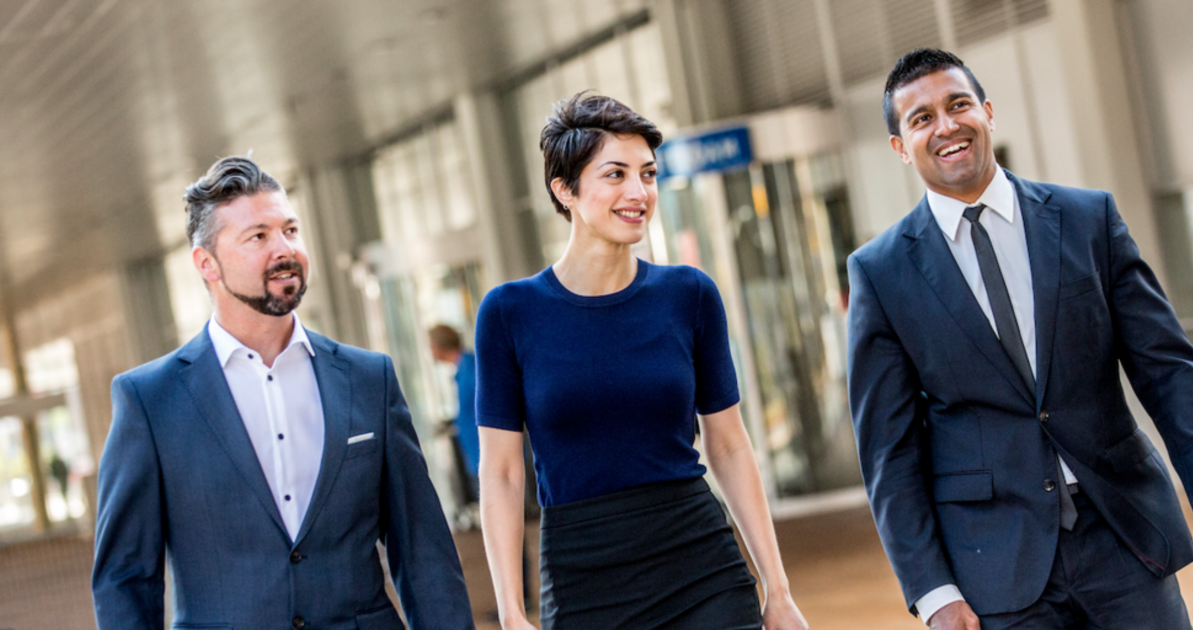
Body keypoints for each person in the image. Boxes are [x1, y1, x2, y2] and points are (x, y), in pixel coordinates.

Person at [846, 48, 1193, 630]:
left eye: (959, 105)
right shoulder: (881, 273)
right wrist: (931, 591)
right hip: (995, 565)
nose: (946, 126)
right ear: (899, 147)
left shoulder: (1088, 220)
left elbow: (1167, 367)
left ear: (987, 112)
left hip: (1124, 537)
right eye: (921, 118)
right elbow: (889, 450)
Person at [92, 156, 474, 630]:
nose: (284, 249)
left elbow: (423, 549)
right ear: (206, 263)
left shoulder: (367, 377)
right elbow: (124, 577)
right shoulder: (149, 401)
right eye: (258, 236)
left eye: (290, 230)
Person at [475, 92, 809, 630]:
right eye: (615, 174)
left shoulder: (689, 294)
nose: (638, 192)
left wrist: (778, 588)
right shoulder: (510, 313)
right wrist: (512, 611)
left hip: (702, 566)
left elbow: (727, 443)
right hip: (583, 573)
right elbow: (503, 471)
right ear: (565, 190)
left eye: (648, 174)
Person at [429, 324, 482, 504]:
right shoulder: (462, 369)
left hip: (486, 455)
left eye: (431, 345)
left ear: (440, 345)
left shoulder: (472, 367)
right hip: (476, 454)